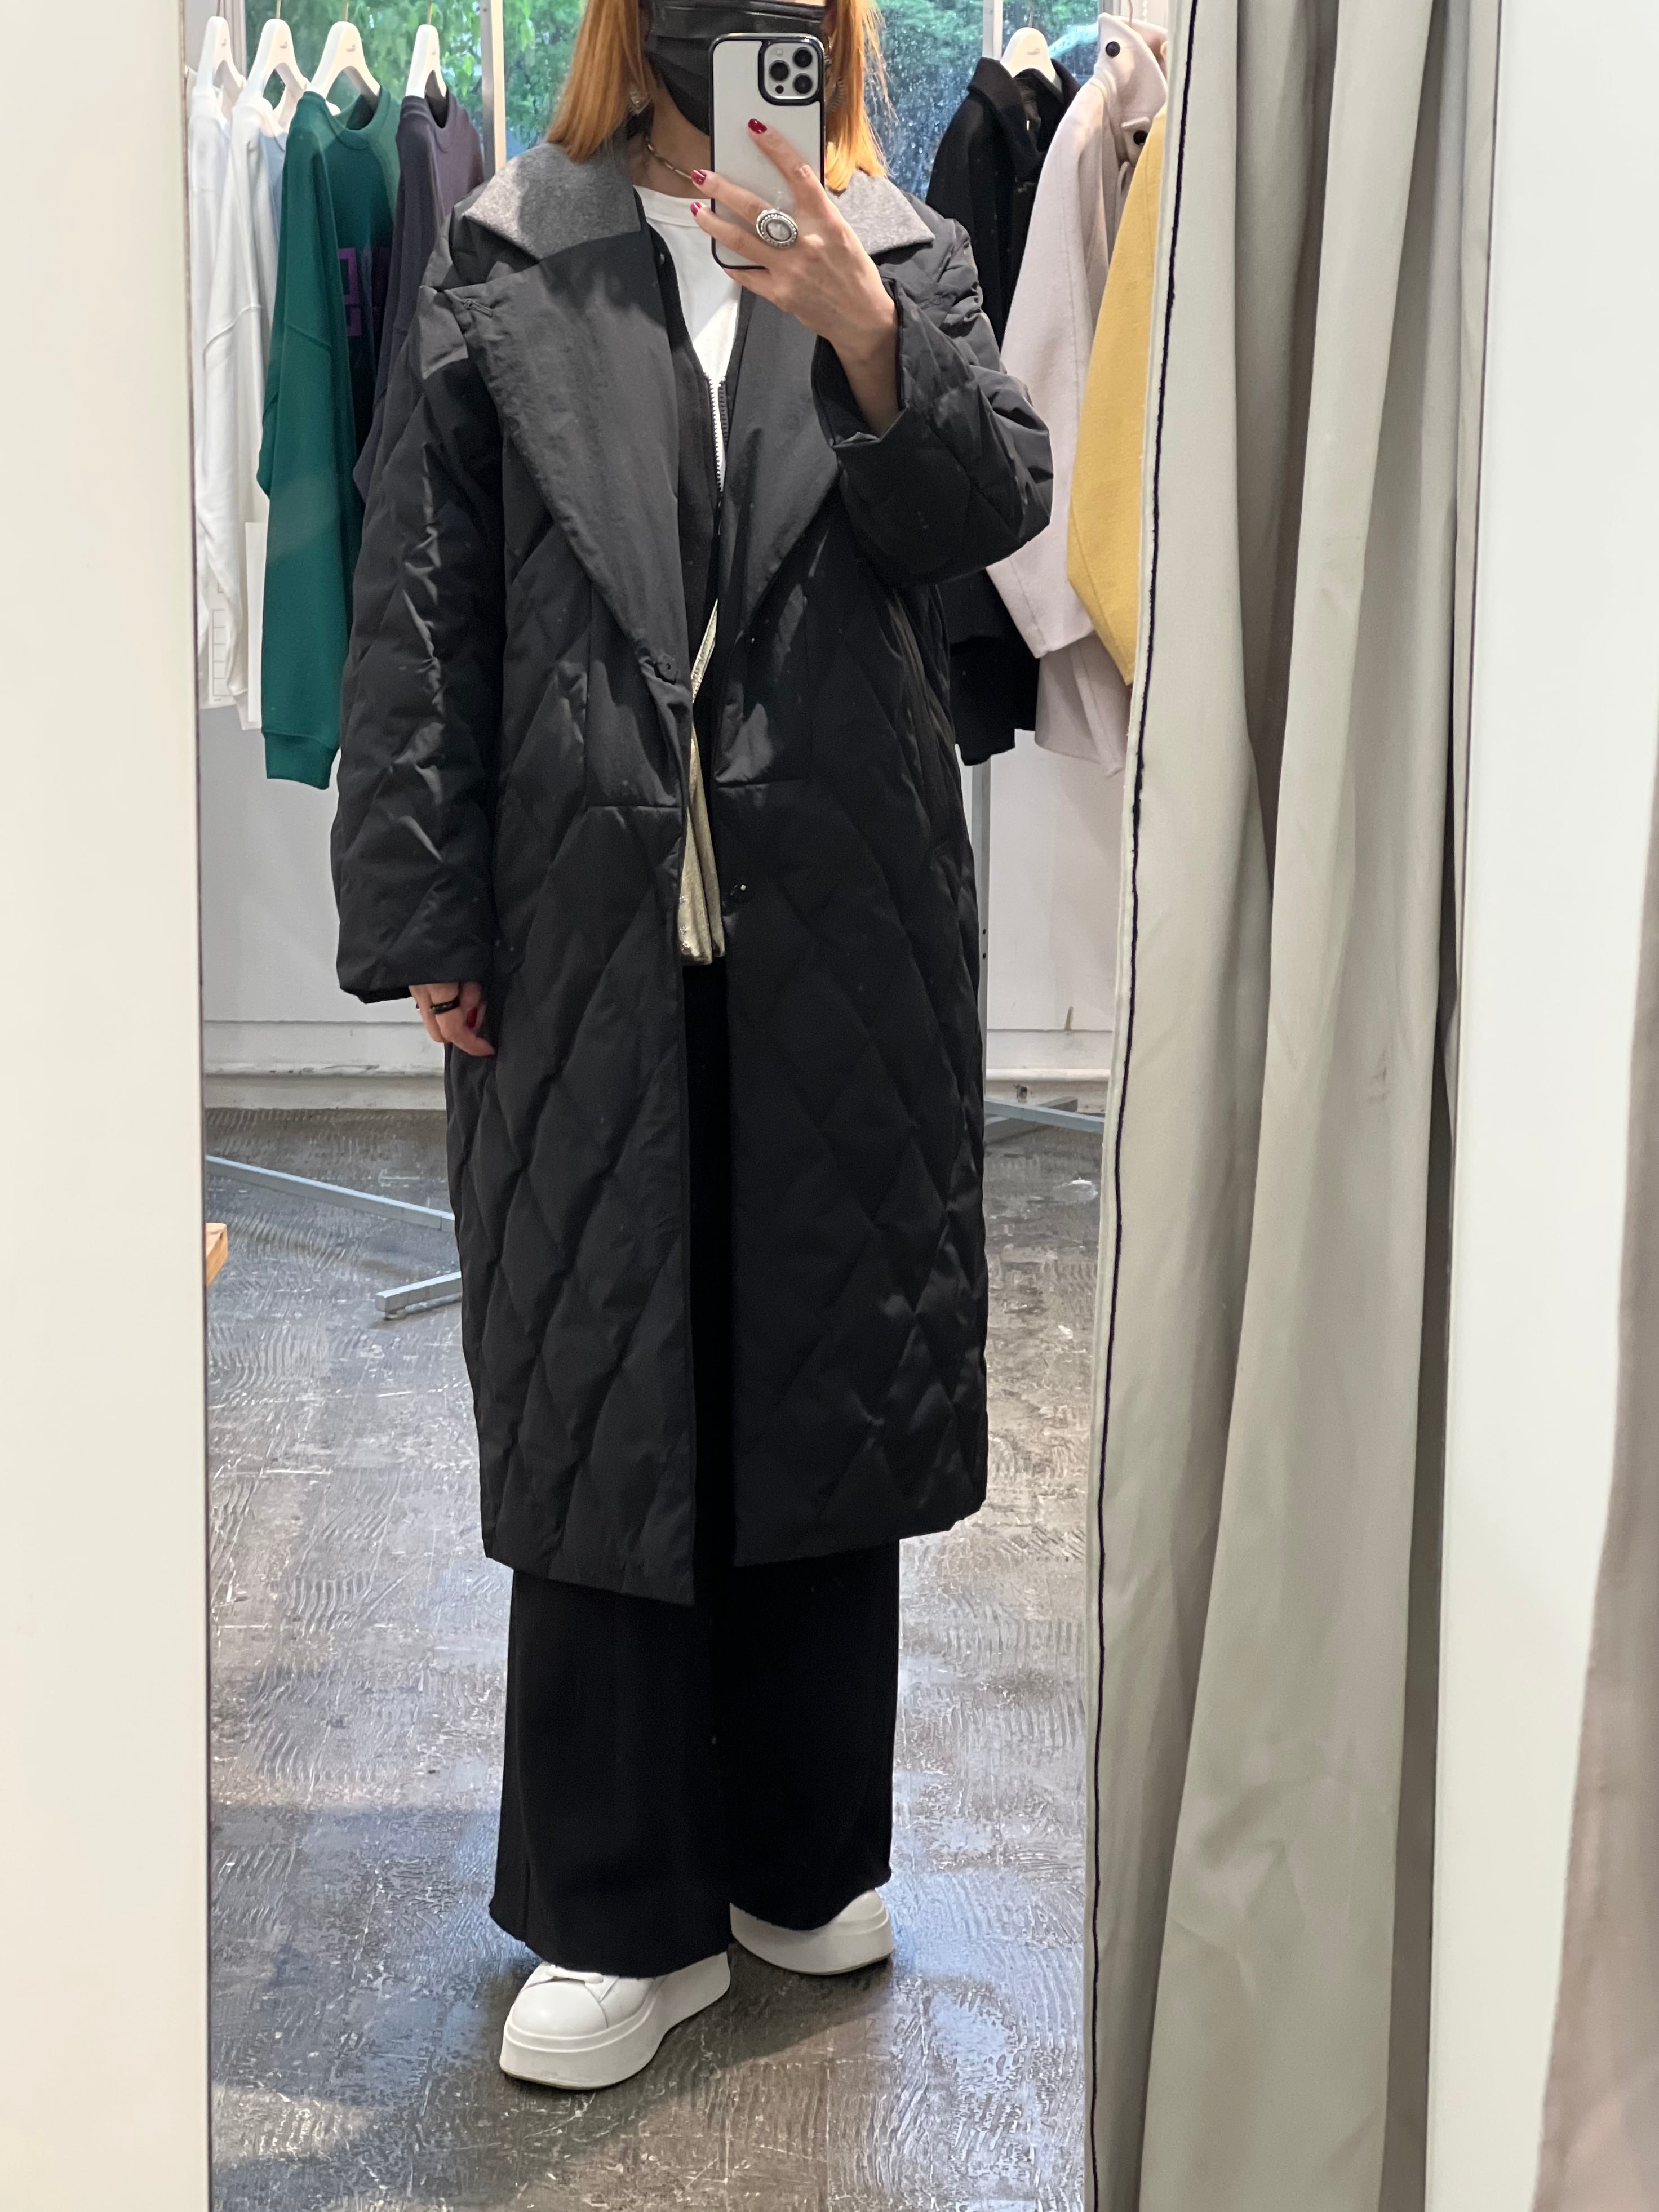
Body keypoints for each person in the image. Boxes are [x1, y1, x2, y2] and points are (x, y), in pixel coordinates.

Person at [331, 0, 1051, 2093]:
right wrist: (423, 906)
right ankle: (618, 1906)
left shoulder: (897, 246)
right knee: (605, 1367)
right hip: (583, 917)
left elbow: (993, 509)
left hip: (845, 909)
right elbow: (423, 596)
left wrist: (866, 330)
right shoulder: (507, 247)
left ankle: (804, 1851)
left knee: (820, 1350)